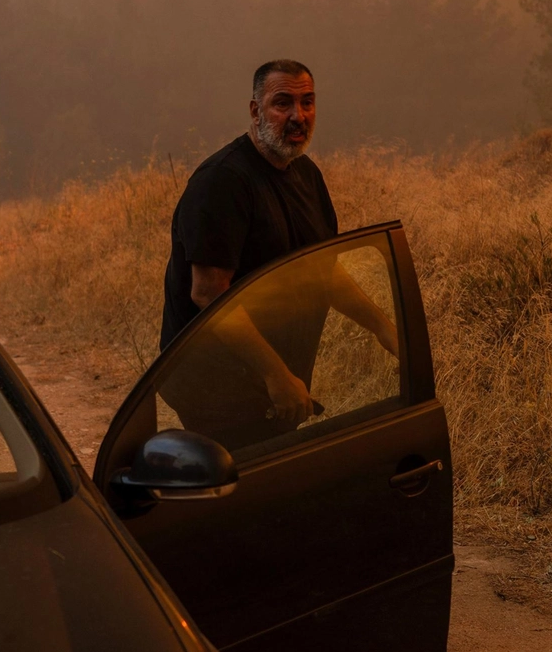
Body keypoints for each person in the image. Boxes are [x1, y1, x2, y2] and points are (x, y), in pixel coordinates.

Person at [159, 60, 398, 449]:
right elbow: (208, 292)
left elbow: (322, 270)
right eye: (282, 103)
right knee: (246, 490)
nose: (298, 116)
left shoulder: (306, 175)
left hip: (274, 379)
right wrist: (276, 375)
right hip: (218, 384)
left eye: (308, 102)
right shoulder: (222, 182)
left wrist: (384, 327)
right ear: (255, 111)